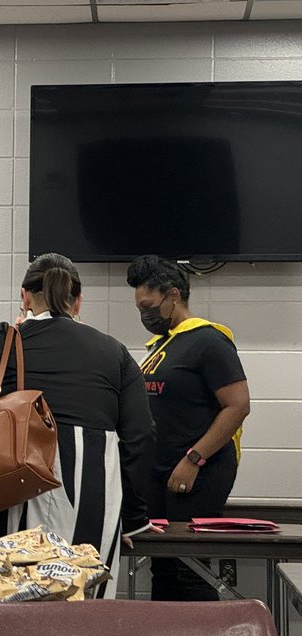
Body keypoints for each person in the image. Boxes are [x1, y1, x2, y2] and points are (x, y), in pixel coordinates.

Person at [0, 253, 155, 596]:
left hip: (2, 491)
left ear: (25, 296)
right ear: (78, 300)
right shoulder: (114, 353)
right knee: (78, 611)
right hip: (90, 491)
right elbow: (140, 436)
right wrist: (133, 516)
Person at [127, 255, 251, 601]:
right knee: (163, 566)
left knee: (190, 567)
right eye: (139, 307)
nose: (145, 314)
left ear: (173, 295)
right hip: (158, 472)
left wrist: (194, 458)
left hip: (199, 469)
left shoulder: (209, 341)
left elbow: (238, 405)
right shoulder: (161, 346)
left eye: (149, 305)